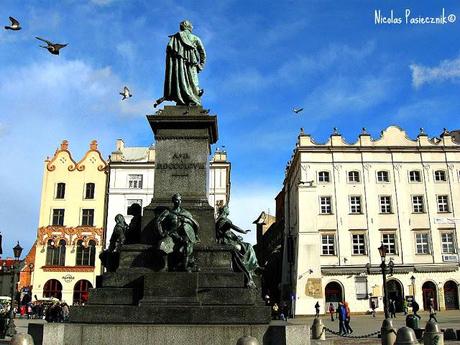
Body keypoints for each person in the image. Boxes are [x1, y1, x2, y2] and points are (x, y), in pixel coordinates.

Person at [155, 20, 206, 107]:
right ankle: (192, 98)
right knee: (193, 83)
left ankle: (181, 97)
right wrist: (201, 64)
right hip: (191, 64)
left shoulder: (175, 38)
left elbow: (170, 52)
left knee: (180, 80)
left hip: (178, 66)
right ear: (190, 28)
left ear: (181, 27)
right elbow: (202, 53)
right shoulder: (195, 38)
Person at [215, 205, 259, 288]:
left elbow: (228, 232)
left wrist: (236, 237)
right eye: (227, 209)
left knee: (246, 246)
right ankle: (253, 266)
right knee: (248, 246)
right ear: (225, 211)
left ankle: (252, 266)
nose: (229, 210)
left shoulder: (220, 220)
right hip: (227, 241)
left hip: (228, 239)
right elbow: (233, 227)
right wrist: (243, 232)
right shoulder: (224, 220)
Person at [155, 193, 200, 272]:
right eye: (176, 200)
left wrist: (186, 220)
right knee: (162, 243)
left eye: (180, 200)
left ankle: (185, 266)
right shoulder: (168, 212)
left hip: (183, 235)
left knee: (187, 243)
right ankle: (165, 266)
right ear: (173, 201)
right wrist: (161, 233)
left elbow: (195, 224)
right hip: (171, 235)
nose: (178, 202)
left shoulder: (186, 213)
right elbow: (158, 221)